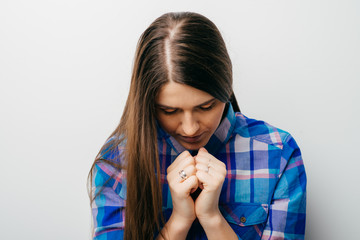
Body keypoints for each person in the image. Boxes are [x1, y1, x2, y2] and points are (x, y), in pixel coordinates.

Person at [88, 12, 306, 240]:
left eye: (206, 106)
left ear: (226, 87)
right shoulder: (117, 162)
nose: (190, 129)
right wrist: (180, 221)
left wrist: (212, 219)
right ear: (148, 103)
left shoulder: (279, 154)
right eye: (170, 111)